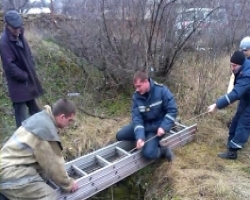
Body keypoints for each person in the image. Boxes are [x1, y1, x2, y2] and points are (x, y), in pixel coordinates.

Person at [0, 98, 79, 200]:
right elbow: (54, 165)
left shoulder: (42, 118)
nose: (70, 124)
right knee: (49, 196)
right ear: (62, 117)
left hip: (8, 167)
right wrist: (69, 184)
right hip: (10, 173)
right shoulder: (45, 131)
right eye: (70, 120)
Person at [116, 71, 178, 162]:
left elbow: (172, 110)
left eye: (139, 86)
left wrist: (164, 127)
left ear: (145, 82)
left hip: (156, 128)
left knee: (148, 153)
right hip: (144, 126)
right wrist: (140, 137)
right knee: (119, 136)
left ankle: (163, 151)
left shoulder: (162, 90)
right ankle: (145, 141)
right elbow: (137, 119)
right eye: (135, 86)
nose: (137, 89)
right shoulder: (136, 97)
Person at [0, 10, 44, 128]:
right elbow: (9, 66)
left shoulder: (20, 35)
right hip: (18, 83)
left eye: (19, 27)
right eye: (15, 28)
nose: (17, 30)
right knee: (21, 119)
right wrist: (24, 76)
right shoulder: (3, 42)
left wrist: (32, 67)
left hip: (28, 80)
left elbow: (28, 53)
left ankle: (42, 132)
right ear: (8, 26)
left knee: (35, 111)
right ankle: (20, 143)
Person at [207, 50, 250, 160]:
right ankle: (232, 142)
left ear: (240, 64)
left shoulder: (247, 74)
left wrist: (216, 105)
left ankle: (232, 152)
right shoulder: (243, 66)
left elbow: (236, 93)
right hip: (247, 97)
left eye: (234, 66)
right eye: (231, 65)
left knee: (244, 122)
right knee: (237, 118)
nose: (232, 68)